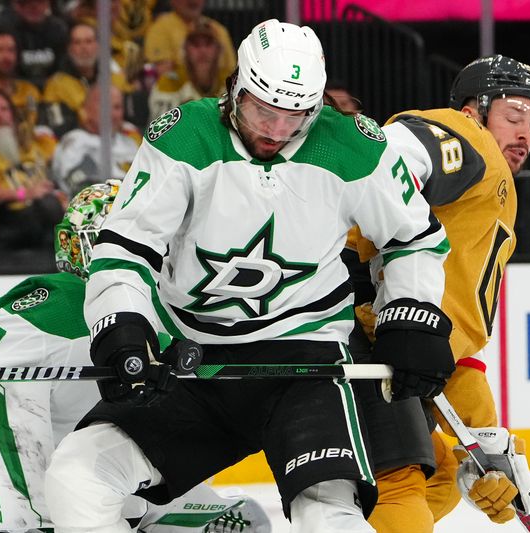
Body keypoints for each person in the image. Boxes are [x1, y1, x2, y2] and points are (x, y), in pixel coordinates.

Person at [44, 19, 454, 533]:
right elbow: (127, 245)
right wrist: (121, 324)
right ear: (235, 86)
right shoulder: (185, 136)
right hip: (192, 356)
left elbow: (414, 238)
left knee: (326, 510)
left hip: (305, 356)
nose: (277, 131)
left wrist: (411, 315)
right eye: (264, 110)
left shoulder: (356, 147)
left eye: (297, 115)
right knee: (77, 475)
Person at [0, 180, 271, 533]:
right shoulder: (66, 299)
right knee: (10, 399)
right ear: (82, 246)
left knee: (241, 519)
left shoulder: (168, 313)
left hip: (107, 489)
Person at [346, 55, 530, 532]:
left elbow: (453, 337)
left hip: (393, 356)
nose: (525, 133)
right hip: (355, 342)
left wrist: (483, 441)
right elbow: (396, 151)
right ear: (473, 110)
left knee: (437, 476)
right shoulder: (470, 138)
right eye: (514, 115)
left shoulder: (496, 194)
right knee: (400, 482)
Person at [0, 87, 62, 263]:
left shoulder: (30, 147)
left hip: (45, 219)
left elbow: (51, 181)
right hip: (8, 220)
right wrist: (24, 194)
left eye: (4, 109)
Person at [42, 22, 133, 137]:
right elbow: (57, 124)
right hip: (77, 141)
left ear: (98, 46)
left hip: (115, 140)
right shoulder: (55, 85)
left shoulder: (116, 79)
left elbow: (131, 119)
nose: (84, 48)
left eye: (89, 41)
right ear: (69, 48)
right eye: (77, 42)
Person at [51, 83, 140, 196]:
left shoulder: (129, 144)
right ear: (87, 109)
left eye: (117, 107)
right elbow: (83, 191)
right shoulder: (74, 142)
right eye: (105, 107)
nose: (112, 114)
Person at [147, 20, 226, 122]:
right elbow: (162, 130)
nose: (202, 51)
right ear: (185, 49)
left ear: (219, 49)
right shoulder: (169, 82)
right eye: (195, 45)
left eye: (208, 44)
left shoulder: (229, 81)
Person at [143, 0, 235, 78]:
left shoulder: (219, 30)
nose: (193, 1)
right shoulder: (159, 28)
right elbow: (162, 74)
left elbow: (232, 72)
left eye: (208, 44)